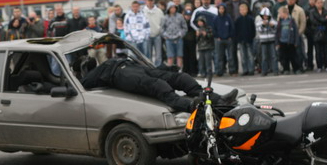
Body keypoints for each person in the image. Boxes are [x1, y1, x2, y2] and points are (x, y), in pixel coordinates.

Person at [79, 56, 238, 113]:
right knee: (160, 86)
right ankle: (194, 107)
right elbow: (82, 85)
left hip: (139, 69)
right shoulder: (94, 75)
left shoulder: (109, 61)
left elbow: (150, 69)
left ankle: (219, 100)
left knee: (180, 78)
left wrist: (167, 68)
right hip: (126, 77)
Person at [160, 1, 186, 69]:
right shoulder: (164, 18)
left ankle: (179, 70)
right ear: (168, 9)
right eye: (171, 8)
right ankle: (170, 70)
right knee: (170, 56)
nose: (173, 9)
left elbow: (184, 27)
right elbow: (162, 29)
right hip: (169, 39)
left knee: (179, 56)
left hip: (178, 39)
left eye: (174, 7)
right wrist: (165, 36)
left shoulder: (180, 16)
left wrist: (181, 34)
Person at [212, 3, 236, 76]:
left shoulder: (228, 17)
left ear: (225, 9)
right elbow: (214, 29)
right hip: (219, 40)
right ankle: (219, 72)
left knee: (230, 56)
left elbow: (232, 28)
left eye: (223, 8)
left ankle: (232, 71)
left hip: (228, 39)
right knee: (219, 56)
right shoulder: (215, 18)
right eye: (220, 8)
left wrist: (230, 36)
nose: (221, 10)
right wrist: (217, 36)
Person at [276, 6, 300, 75]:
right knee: (284, 57)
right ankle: (286, 69)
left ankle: (296, 68)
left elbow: (296, 32)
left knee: (293, 56)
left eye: (280, 13)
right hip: (282, 42)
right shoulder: (280, 21)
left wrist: (296, 41)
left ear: (285, 13)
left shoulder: (291, 21)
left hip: (291, 42)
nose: (279, 15)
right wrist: (277, 42)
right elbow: (277, 32)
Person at [310, 0, 327, 72]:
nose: (320, 4)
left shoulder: (326, 11)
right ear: (315, 3)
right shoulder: (312, 11)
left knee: (325, 50)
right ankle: (319, 66)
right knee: (318, 51)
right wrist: (323, 19)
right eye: (318, 3)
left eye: (321, 2)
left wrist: (321, 19)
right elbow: (313, 21)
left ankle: (326, 65)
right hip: (316, 32)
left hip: (325, 33)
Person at [287, 0, 307, 72]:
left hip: (297, 34)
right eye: (289, 0)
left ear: (295, 0)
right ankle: (292, 67)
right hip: (287, 35)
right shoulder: (284, 9)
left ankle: (300, 67)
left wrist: (299, 33)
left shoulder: (299, 10)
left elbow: (303, 23)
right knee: (290, 52)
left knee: (299, 52)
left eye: (292, 0)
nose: (290, 1)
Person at [256, 7, 278, 76]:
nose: (265, 17)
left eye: (266, 16)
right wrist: (263, 25)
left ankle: (275, 70)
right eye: (264, 16)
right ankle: (264, 71)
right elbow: (259, 31)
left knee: (274, 56)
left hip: (272, 40)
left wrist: (272, 26)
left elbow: (275, 30)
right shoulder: (259, 22)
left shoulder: (273, 21)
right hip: (263, 41)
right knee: (264, 57)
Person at [235, 3, 256, 76]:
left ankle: (251, 69)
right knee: (243, 56)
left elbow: (253, 30)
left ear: (247, 10)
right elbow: (236, 30)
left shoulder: (250, 19)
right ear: (239, 11)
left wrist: (252, 37)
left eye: (244, 9)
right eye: (241, 10)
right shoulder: (238, 19)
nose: (243, 11)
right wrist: (238, 38)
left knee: (250, 55)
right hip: (241, 40)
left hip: (249, 40)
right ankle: (245, 70)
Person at [143, 0, 164, 66]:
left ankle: (158, 68)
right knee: (148, 54)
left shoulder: (159, 11)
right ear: (146, 2)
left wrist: (160, 31)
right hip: (147, 36)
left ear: (153, 1)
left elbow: (163, 23)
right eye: (148, 1)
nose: (150, 2)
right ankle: (150, 68)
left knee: (158, 54)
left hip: (157, 35)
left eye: (151, 1)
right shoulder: (143, 11)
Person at [182, 9, 198, 76]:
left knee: (192, 56)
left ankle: (193, 71)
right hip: (184, 41)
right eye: (186, 15)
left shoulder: (193, 23)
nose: (188, 17)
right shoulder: (183, 22)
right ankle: (186, 70)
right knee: (185, 56)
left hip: (192, 41)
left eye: (189, 15)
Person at [304, 0, 317, 71]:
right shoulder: (306, 10)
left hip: (317, 31)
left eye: (313, 0)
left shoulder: (318, 9)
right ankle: (309, 64)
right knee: (310, 50)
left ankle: (321, 64)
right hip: (309, 32)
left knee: (319, 49)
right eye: (310, 0)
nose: (311, 1)